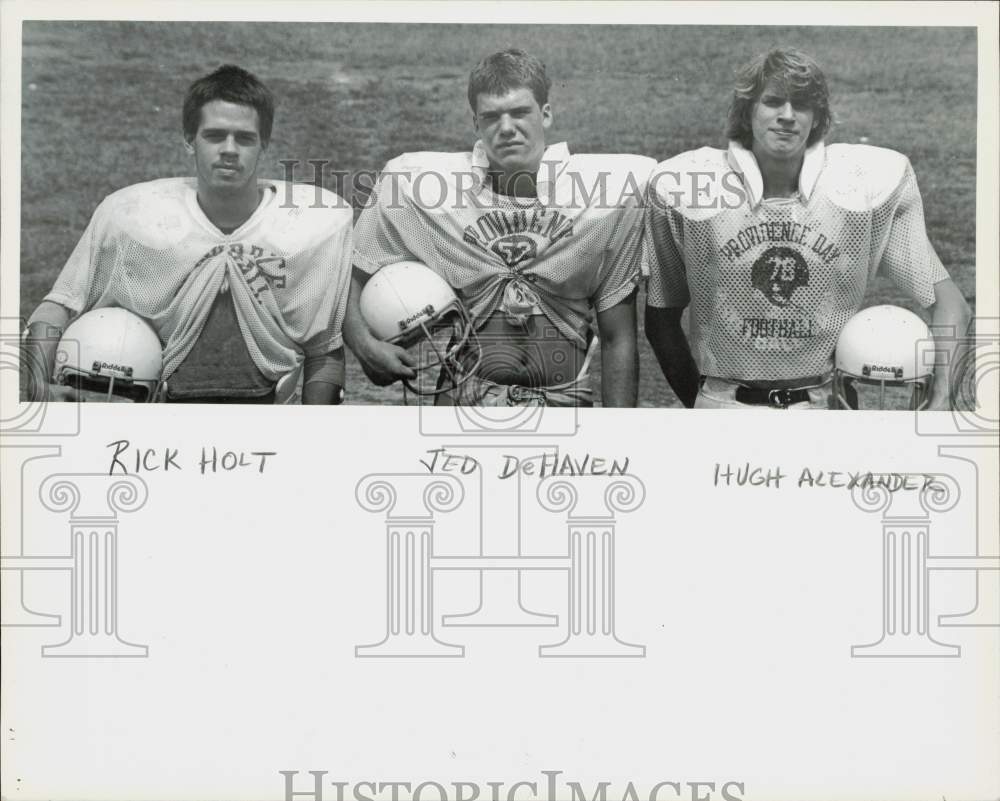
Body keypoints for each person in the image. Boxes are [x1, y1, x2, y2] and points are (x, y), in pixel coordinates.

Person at [644, 47, 971, 410]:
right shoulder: (690, 188)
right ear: (746, 110)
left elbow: (950, 305)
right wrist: (700, 404)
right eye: (772, 102)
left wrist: (941, 401)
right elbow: (660, 319)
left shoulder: (861, 187)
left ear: (817, 117)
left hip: (826, 407)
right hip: (724, 401)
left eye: (800, 105)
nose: (787, 116)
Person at [23, 65, 352, 404]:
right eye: (214, 135)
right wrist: (35, 386)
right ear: (189, 140)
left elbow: (325, 349)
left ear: (263, 144)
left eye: (244, 138)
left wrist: (316, 431)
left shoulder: (312, 227)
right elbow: (56, 308)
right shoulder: (130, 218)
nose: (229, 149)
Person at [344, 48, 654, 407]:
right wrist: (365, 347)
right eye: (491, 117)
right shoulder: (423, 188)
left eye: (520, 112)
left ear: (546, 114)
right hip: (465, 393)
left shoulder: (603, 197)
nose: (506, 128)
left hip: (563, 398)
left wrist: (621, 436)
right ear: (475, 123)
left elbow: (619, 337)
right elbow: (352, 275)